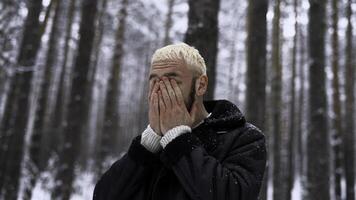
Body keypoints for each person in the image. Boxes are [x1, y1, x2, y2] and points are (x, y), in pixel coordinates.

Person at [93, 43, 267, 200]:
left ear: (201, 85)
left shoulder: (245, 138)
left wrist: (178, 139)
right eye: (154, 81)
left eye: (171, 82)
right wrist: (147, 144)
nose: (161, 90)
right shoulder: (151, 143)